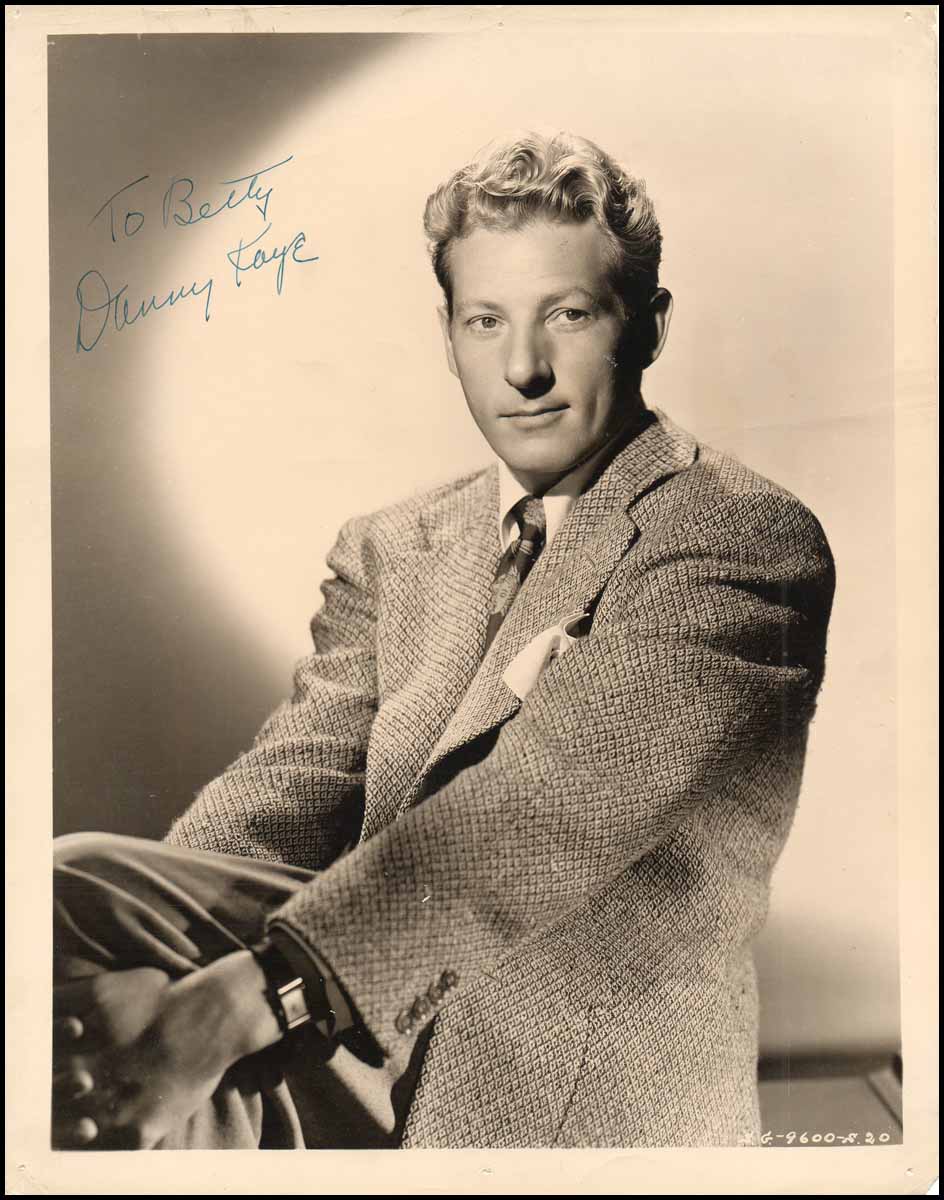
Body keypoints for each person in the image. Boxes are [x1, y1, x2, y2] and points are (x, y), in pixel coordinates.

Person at [52, 130, 836, 1150]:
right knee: (69, 904)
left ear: (647, 325)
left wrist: (235, 1004)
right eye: (485, 321)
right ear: (448, 333)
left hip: (564, 1095)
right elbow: (287, 790)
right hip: (358, 1043)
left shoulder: (736, 533)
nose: (523, 369)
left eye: (568, 314)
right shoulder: (395, 545)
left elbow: (544, 811)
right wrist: (155, 978)